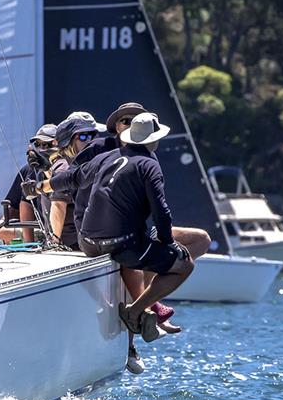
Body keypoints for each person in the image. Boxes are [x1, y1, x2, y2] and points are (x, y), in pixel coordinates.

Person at [26, 112, 209, 348]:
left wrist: (39, 186)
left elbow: (71, 178)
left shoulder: (107, 157)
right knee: (183, 265)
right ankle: (135, 312)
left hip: (88, 243)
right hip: (120, 244)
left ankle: (146, 313)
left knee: (147, 253)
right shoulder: (149, 164)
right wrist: (169, 243)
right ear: (153, 140)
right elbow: (161, 212)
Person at [27, 112, 101, 250]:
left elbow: (59, 205)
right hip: (78, 240)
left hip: (71, 243)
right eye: (38, 144)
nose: (42, 149)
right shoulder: (63, 166)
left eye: (93, 135)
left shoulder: (63, 167)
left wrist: (55, 241)